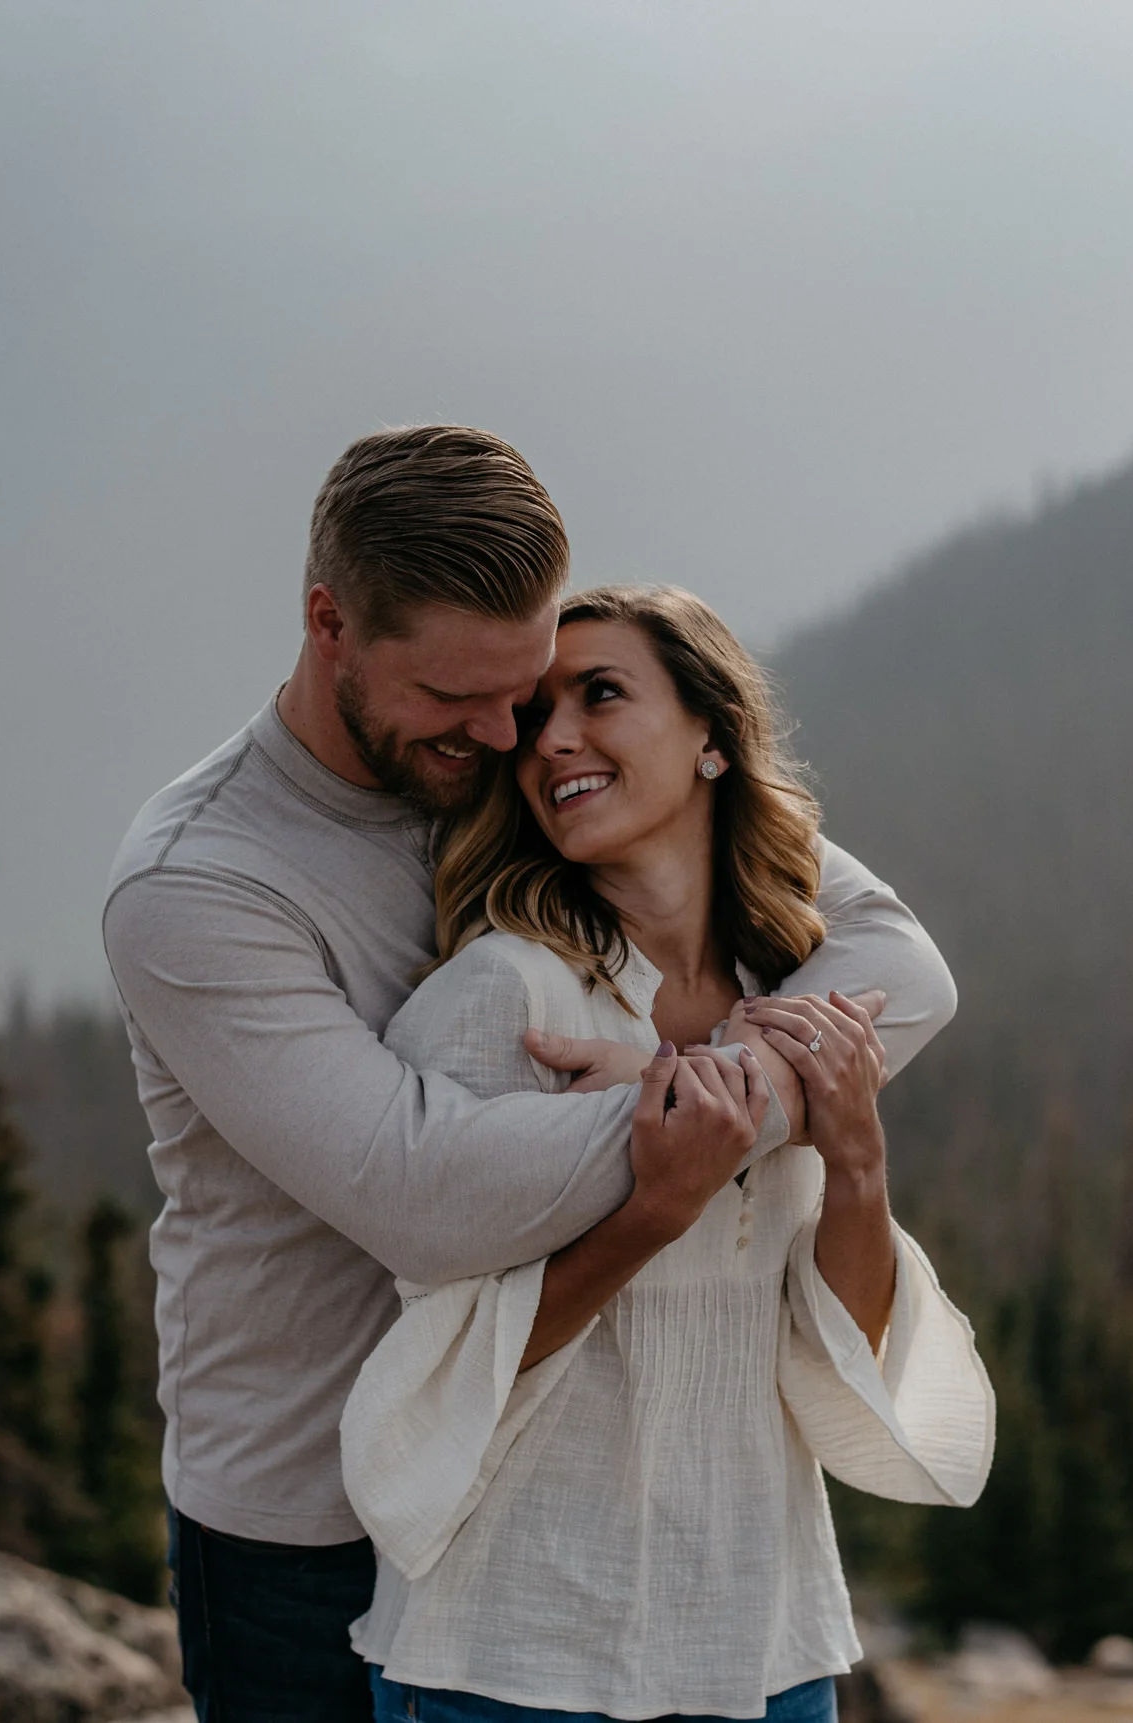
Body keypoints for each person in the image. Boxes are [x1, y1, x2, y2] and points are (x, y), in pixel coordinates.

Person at [102, 426, 958, 1723]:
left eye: (531, 680)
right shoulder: (204, 883)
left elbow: (895, 959)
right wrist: (682, 1112)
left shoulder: (533, 755)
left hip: (541, 1500)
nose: (511, 730)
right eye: (462, 698)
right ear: (330, 622)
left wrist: (733, 1089)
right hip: (306, 1508)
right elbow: (421, 1189)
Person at [343, 584, 994, 1723]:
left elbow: (828, 1340)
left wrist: (853, 1158)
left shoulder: (786, 1000)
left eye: (600, 693)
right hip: (514, 1652)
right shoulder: (502, 999)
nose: (552, 740)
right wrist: (652, 1207)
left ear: (711, 736)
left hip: (761, 1639)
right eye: (537, 713)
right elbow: (448, 1373)